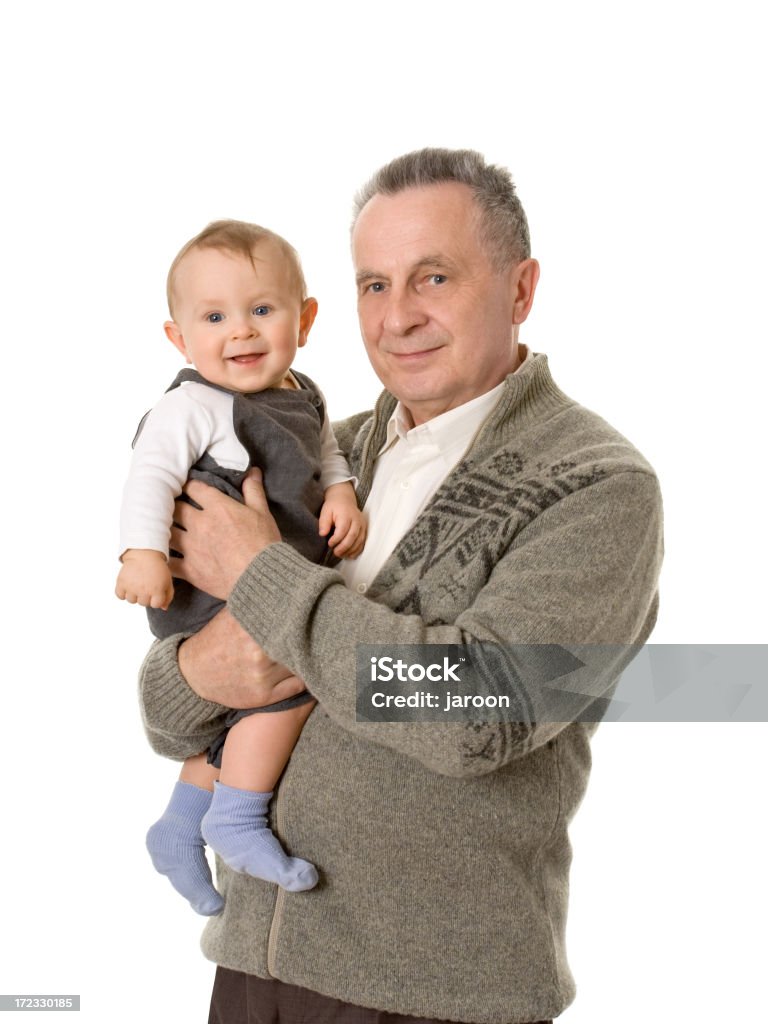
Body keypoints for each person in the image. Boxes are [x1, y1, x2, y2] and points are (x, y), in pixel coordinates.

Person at [138, 149, 664, 1024]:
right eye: (373, 285)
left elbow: (481, 712)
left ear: (520, 288)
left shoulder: (597, 485)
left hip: (434, 996)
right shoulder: (312, 456)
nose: (398, 317)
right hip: (252, 967)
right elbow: (165, 713)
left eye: (434, 278)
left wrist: (264, 581)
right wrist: (201, 670)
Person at [117, 220, 366, 915]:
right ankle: (236, 818)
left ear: (305, 319)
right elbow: (151, 475)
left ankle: (179, 823)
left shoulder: (303, 394)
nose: (243, 333)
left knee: (253, 692)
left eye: (263, 310)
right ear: (179, 339)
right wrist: (140, 552)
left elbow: (326, 451)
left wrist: (342, 489)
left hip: (270, 573)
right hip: (201, 587)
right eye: (216, 316)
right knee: (287, 685)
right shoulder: (193, 404)